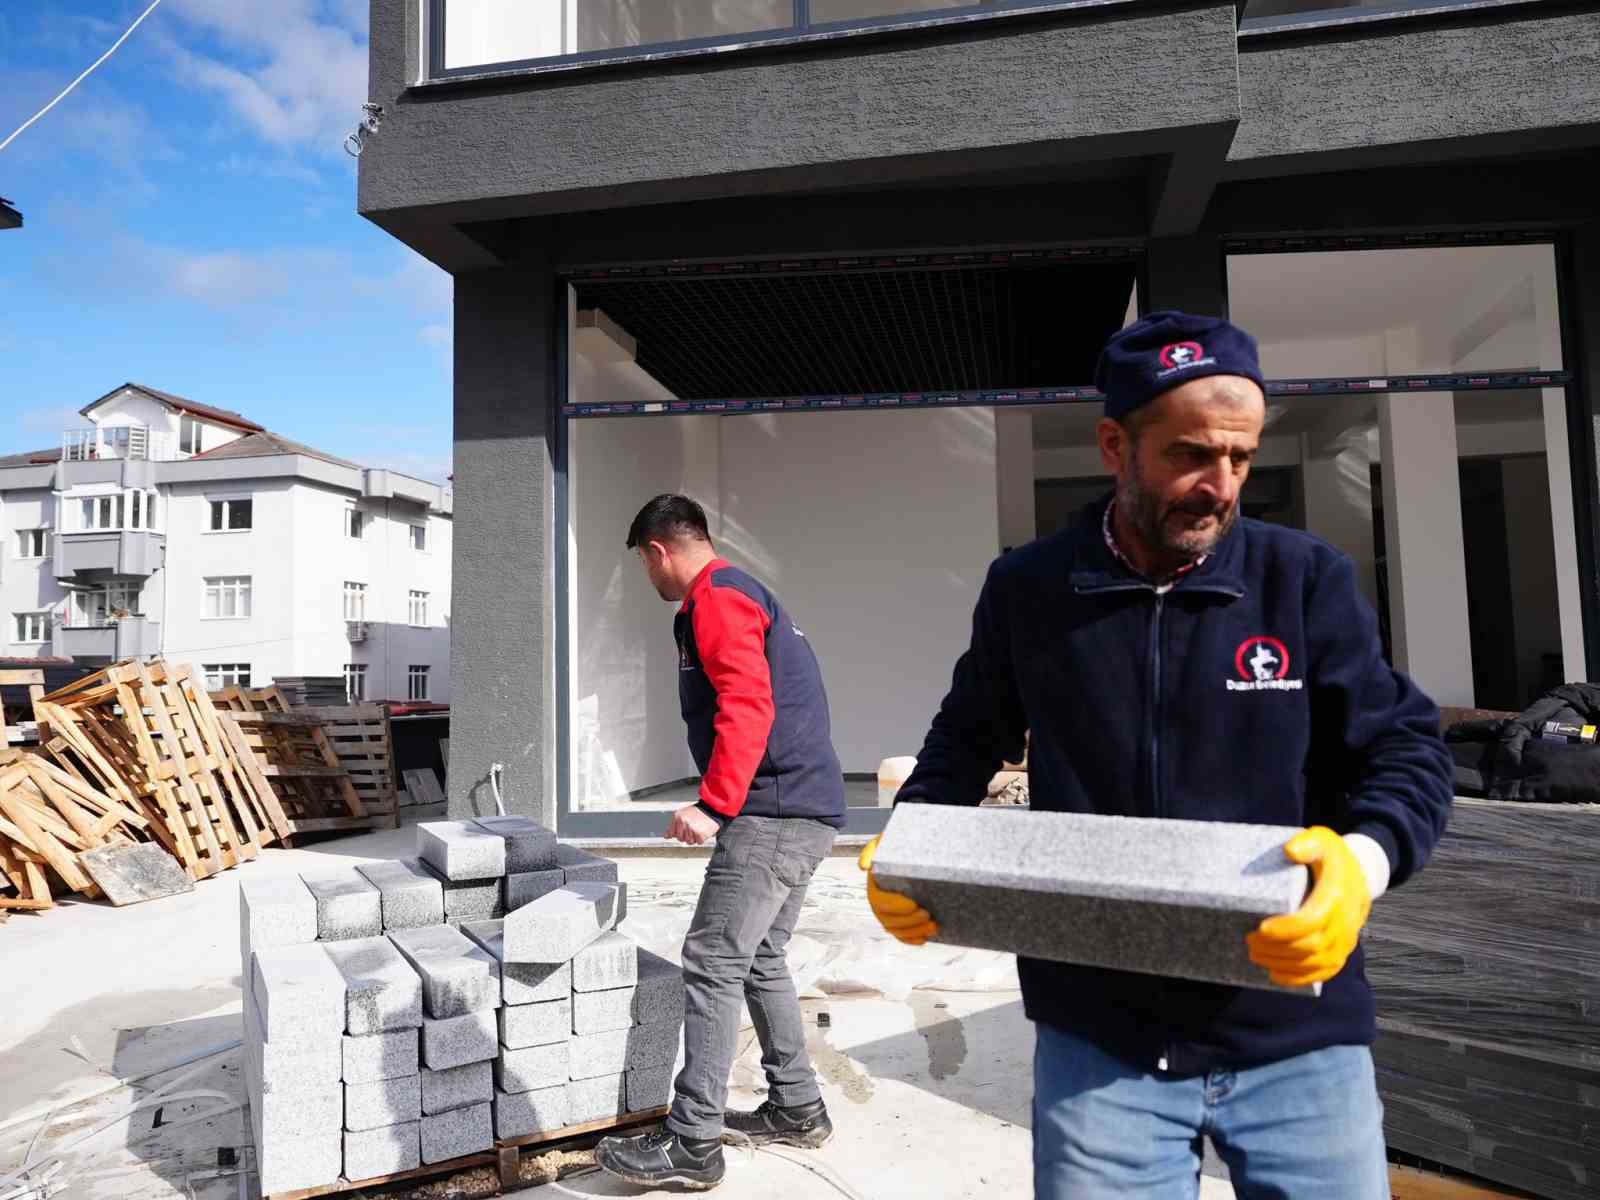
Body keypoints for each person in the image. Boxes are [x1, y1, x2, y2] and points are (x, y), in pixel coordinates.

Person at [860, 311, 1453, 1199]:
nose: (1220, 484)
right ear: (1115, 444)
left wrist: (1362, 864)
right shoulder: (1031, 589)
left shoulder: (1304, 581)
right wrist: (910, 850)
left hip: (1297, 1036)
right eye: (1190, 455)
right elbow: (964, 737)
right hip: (1102, 1049)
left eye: (1242, 459)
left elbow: (1404, 749)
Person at [596, 494, 846, 1191]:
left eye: (647, 567)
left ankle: (693, 1142)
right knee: (761, 957)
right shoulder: (745, 592)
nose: (652, 581)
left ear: (658, 551)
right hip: (805, 810)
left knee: (711, 958)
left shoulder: (719, 599)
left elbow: (747, 702)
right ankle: (797, 1106)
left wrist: (715, 802)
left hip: (771, 813)